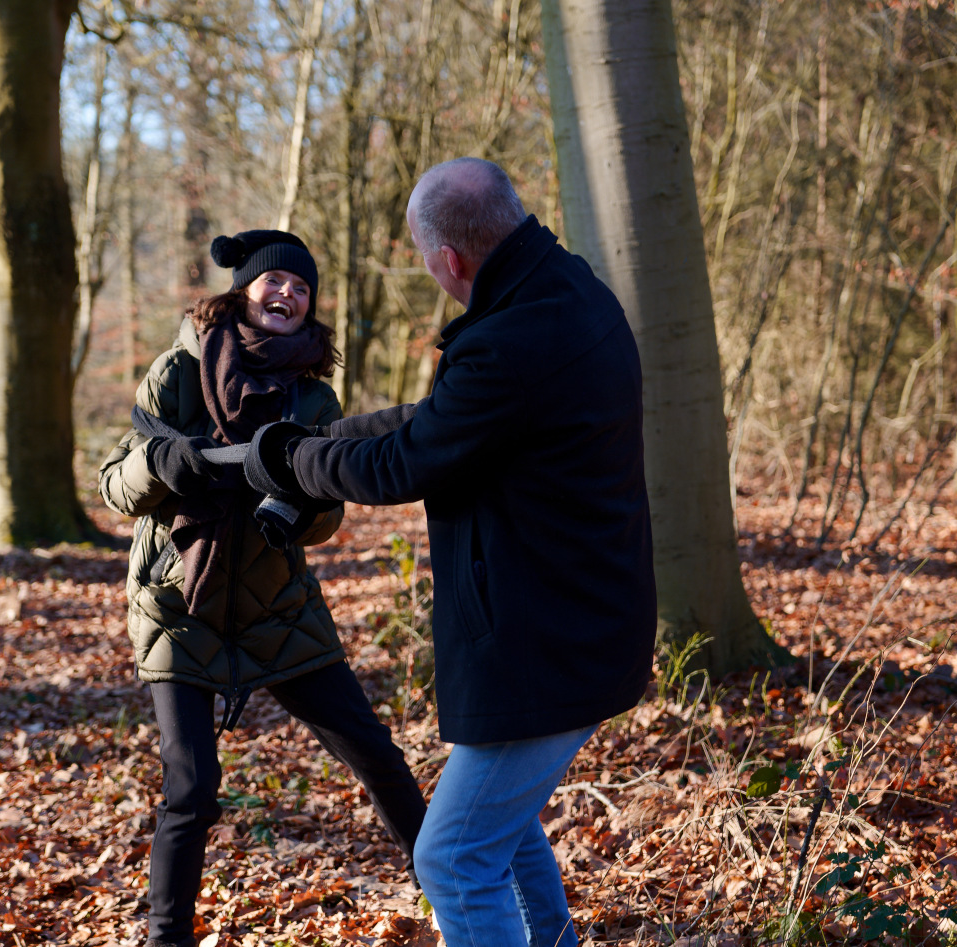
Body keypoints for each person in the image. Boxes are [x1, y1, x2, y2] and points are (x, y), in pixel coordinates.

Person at [243, 158, 658, 947]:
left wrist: (290, 462)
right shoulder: (564, 291)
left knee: (454, 855)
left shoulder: (510, 341)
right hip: (573, 622)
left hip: (555, 641)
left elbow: (407, 461)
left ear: (451, 261)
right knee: (500, 828)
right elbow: (438, 419)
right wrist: (321, 438)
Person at [97, 230, 426, 947]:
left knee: (375, 754)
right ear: (242, 290)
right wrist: (161, 461)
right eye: (274, 282)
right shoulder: (176, 374)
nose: (286, 294)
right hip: (179, 606)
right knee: (190, 790)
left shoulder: (314, 396)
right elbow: (115, 485)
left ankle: (457, 888)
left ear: (310, 309)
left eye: (301, 288)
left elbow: (329, 512)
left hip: (279, 606)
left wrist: (300, 506)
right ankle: (167, 939)